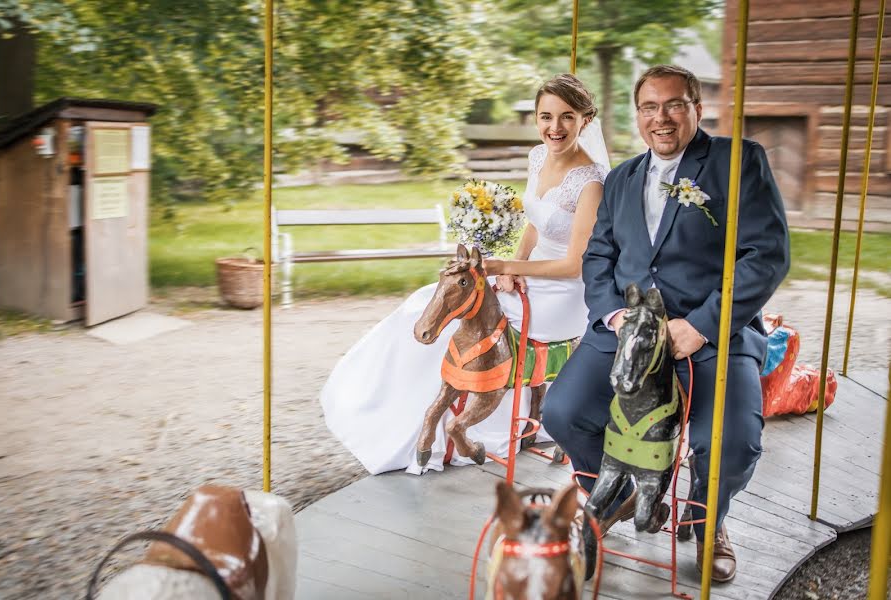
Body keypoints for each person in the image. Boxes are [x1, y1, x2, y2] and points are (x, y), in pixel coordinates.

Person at [541, 64, 790, 583]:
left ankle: (707, 521)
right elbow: (598, 255)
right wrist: (615, 315)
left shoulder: (739, 162)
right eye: (650, 107)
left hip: (710, 330)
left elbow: (766, 256)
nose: (662, 118)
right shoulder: (622, 177)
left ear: (697, 108)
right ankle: (614, 494)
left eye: (675, 104)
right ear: (637, 116)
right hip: (626, 331)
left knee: (732, 439)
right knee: (561, 411)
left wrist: (699, 325)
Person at [320, 73, 610, 475]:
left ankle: (436, 429)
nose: (554, 128)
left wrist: (507, 267)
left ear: (585, 120)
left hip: (562, 292)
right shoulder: (538, 157)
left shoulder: (590, 182)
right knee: (429, 301)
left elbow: (575, 264)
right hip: (528, 270)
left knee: (470, 317)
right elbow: (535, 224)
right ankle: (376, 406)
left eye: (567, 117)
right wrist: (512, 266)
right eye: (546, 116)